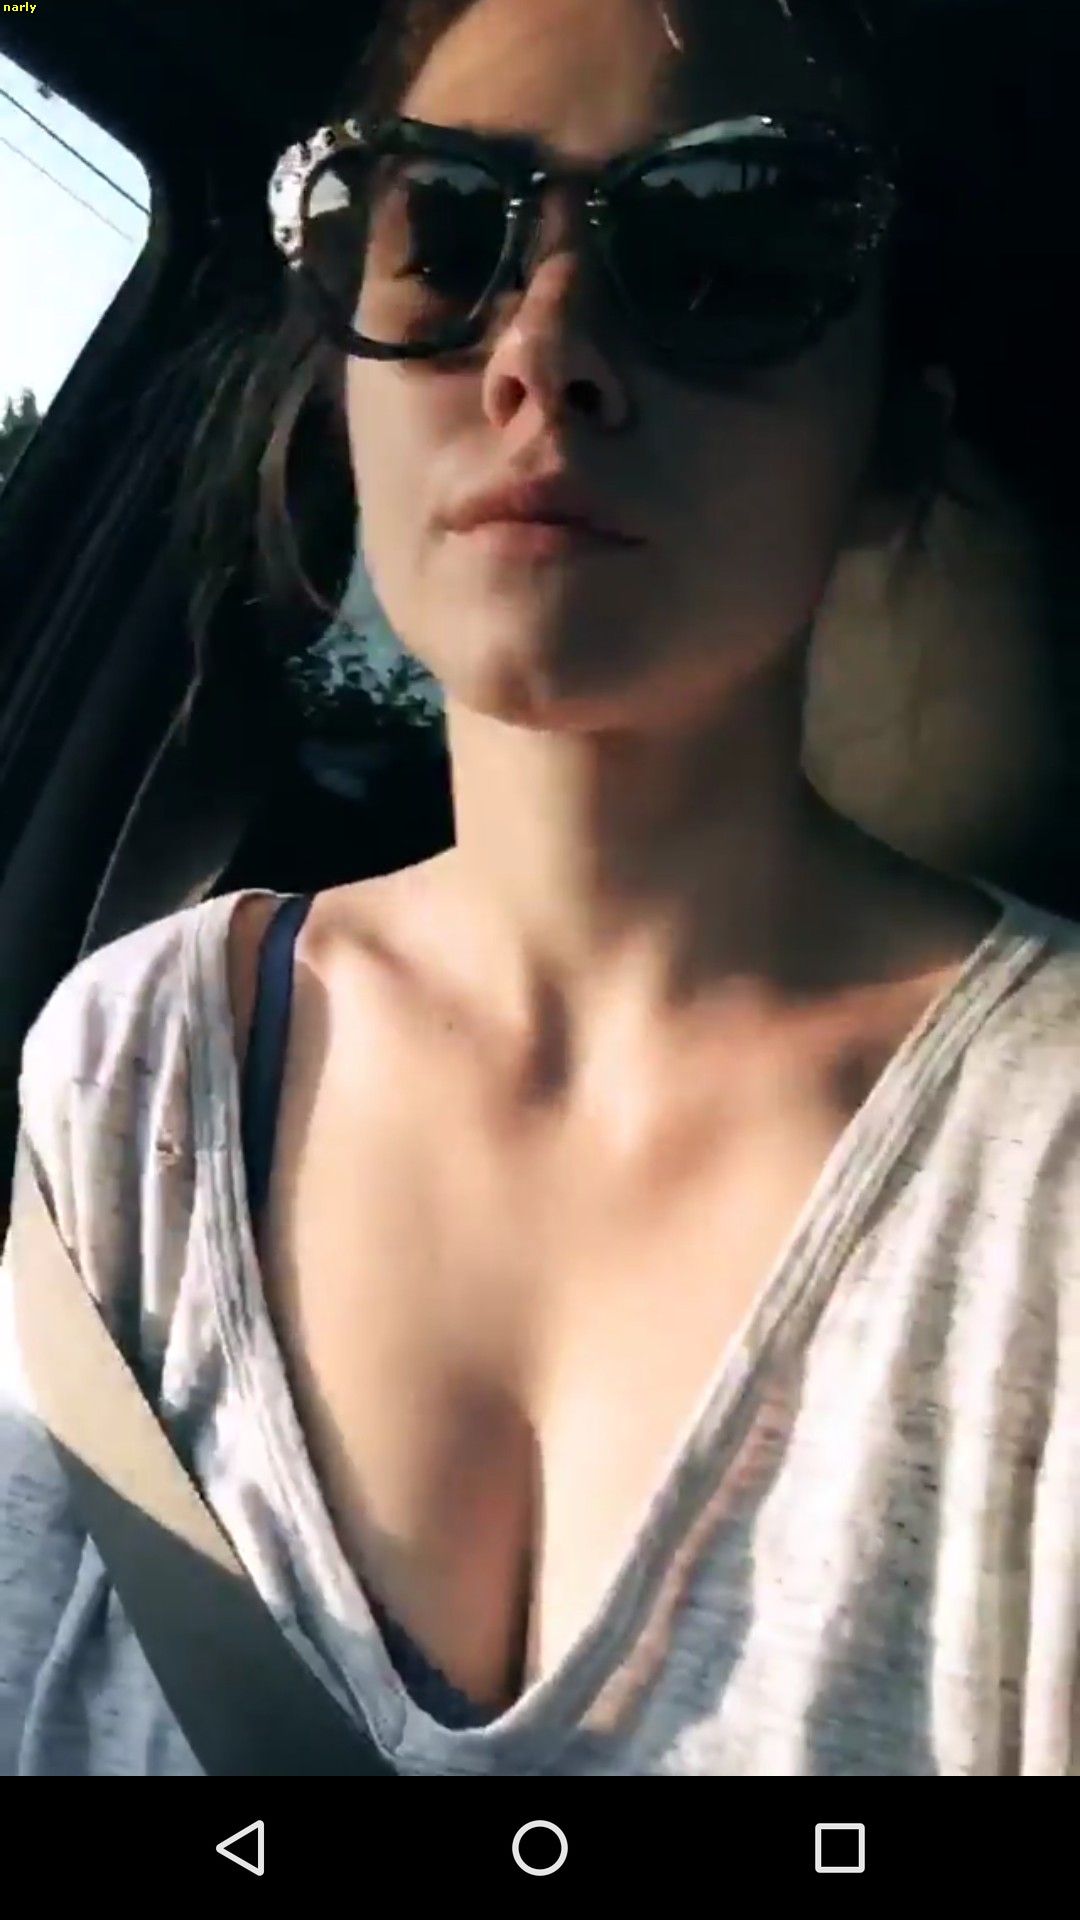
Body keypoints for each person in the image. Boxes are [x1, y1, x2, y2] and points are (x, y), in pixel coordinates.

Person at [1, 0, 1077, 1777]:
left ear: (893, 439)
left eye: (726, 240)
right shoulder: (128, 1071)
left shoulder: (1048, 1176)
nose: (547, 346)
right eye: (443, 232)